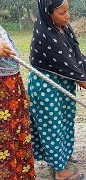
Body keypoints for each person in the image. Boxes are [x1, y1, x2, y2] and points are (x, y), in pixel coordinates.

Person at [28, 0, 86, 179]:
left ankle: (63, 155)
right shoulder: (46, 34)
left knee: (65, 120)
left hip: (63, 81)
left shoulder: (62, 26)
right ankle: (59, 170)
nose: (67, 16)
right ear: (48, 13)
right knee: (52, 126)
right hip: (47, 86)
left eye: (67, 11)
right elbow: (71, 67)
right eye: (62, 13)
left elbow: (73, 54)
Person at [0, 26, 36, 179]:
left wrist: (22, 90)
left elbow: (13, 63)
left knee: (18, 136)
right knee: (4, 142)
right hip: (3, 94)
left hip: (14, 90)